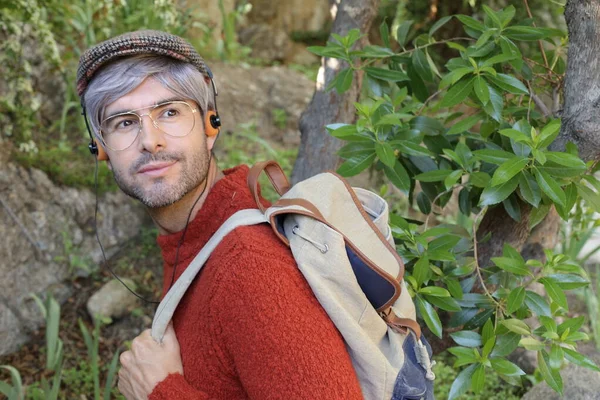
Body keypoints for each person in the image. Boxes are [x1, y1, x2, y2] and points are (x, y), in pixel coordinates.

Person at [76, 30, 363, 399]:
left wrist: (162, 392)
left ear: (211, 126)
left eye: (170, 112)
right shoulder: (194, 236)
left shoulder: (250, 266)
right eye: (125, 122)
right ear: (100, 148)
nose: (150, 140)